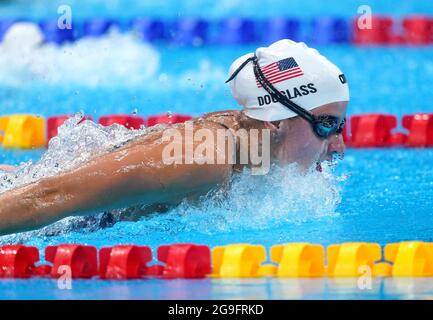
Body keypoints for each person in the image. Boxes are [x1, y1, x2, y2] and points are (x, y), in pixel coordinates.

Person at [0, 39, 349, 235]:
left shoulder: (255, 145)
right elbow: (51, 194)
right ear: (275, 121)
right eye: (327, 125)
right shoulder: (206, 157)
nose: (338, 147)